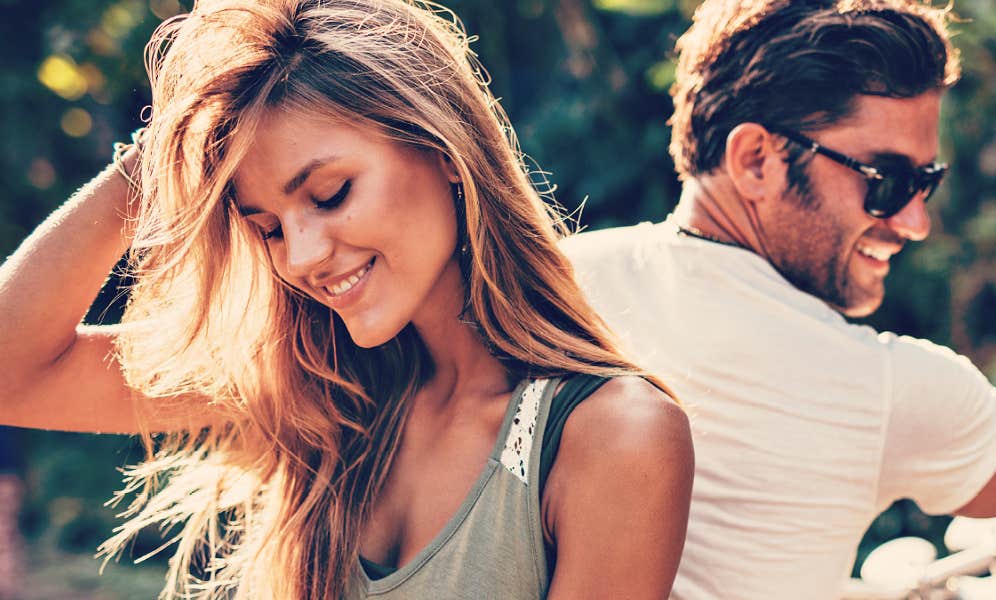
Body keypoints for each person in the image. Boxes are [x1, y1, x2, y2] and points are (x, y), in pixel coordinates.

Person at [0, 0, 694, 598]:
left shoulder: (612, 436)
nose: (300, 256)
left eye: (330, 195)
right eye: (266, 227)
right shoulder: (318, 392)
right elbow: (13, 372)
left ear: (445, 152)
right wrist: (162, 156)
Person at [561, 1, 996, 598]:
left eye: (927, 181)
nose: (915, 222)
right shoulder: (872, 385)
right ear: (756, 159)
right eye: (887, 181)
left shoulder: (554, 277)